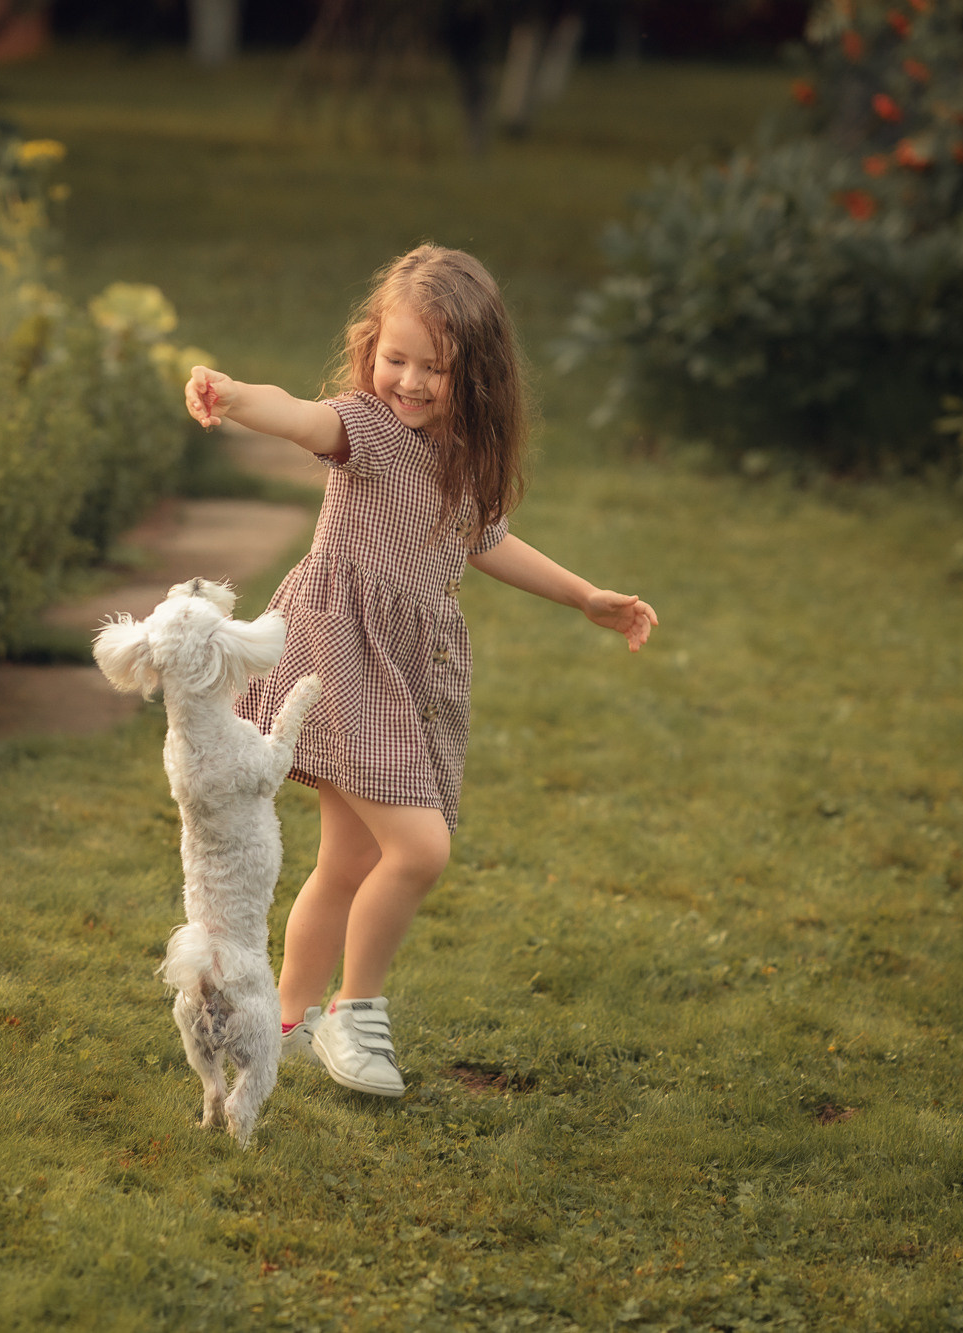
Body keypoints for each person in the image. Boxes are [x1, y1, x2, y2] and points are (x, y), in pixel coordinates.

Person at [182, 244, 657, 1098]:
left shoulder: (464, 457)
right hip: (340, 654)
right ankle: (352, 1013)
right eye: (393, 358)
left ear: (476, 375)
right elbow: (298, 415)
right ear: (371, 349)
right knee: (421, 847)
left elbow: (488, 542)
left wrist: (586, 595)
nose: (406, 380)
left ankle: (280, 1025)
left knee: (348, 863)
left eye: (431, 368)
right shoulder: (362, 428)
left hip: (403, 669)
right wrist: (234, 393)